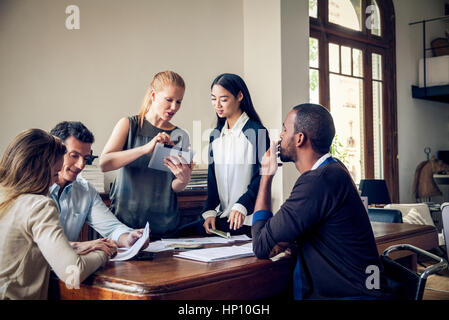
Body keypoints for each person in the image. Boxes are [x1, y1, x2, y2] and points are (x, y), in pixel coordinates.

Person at [252, 103, 389, 299]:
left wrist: (266, 176)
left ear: (299, 138)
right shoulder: (334, 169)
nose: (280, 136)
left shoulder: (317, 181)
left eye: (284, 129)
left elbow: (260, 246)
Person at [0, 129, 114, 300]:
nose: (55, 181)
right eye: (54, 174)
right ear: (38, 170)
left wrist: (75, 247)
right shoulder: (39, 205)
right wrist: (105, 253)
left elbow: (23, 246)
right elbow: (72, 274)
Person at [100, 70, 193, 239]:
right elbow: (104, 164)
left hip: (165, 227)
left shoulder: (180, 135)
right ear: (153, 95)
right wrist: (145, 148)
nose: (174, 107)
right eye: (169, 100)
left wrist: (184, 179)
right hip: (125, 227)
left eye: (179, 101)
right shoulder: (129, 125)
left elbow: (174, 186)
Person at [49, 121, 149, 253]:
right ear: (55, 152)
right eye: (74, 156)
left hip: (68, 268)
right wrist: (83, 246)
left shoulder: (85, 190)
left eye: (86, 158)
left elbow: (112, 228)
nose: (81, 165)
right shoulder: (34, 190)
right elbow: (39, 244)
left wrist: (129, 238)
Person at [201, 73, 270, 236]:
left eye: (223, 99)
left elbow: (263, 175)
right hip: (223, 219)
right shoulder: (215, 135)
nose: (217, 105)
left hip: (247, 219)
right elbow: (212, 178)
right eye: (213, 98)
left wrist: (242, 205)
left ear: (240, 96)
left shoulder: (256, 131)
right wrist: (209, 211)